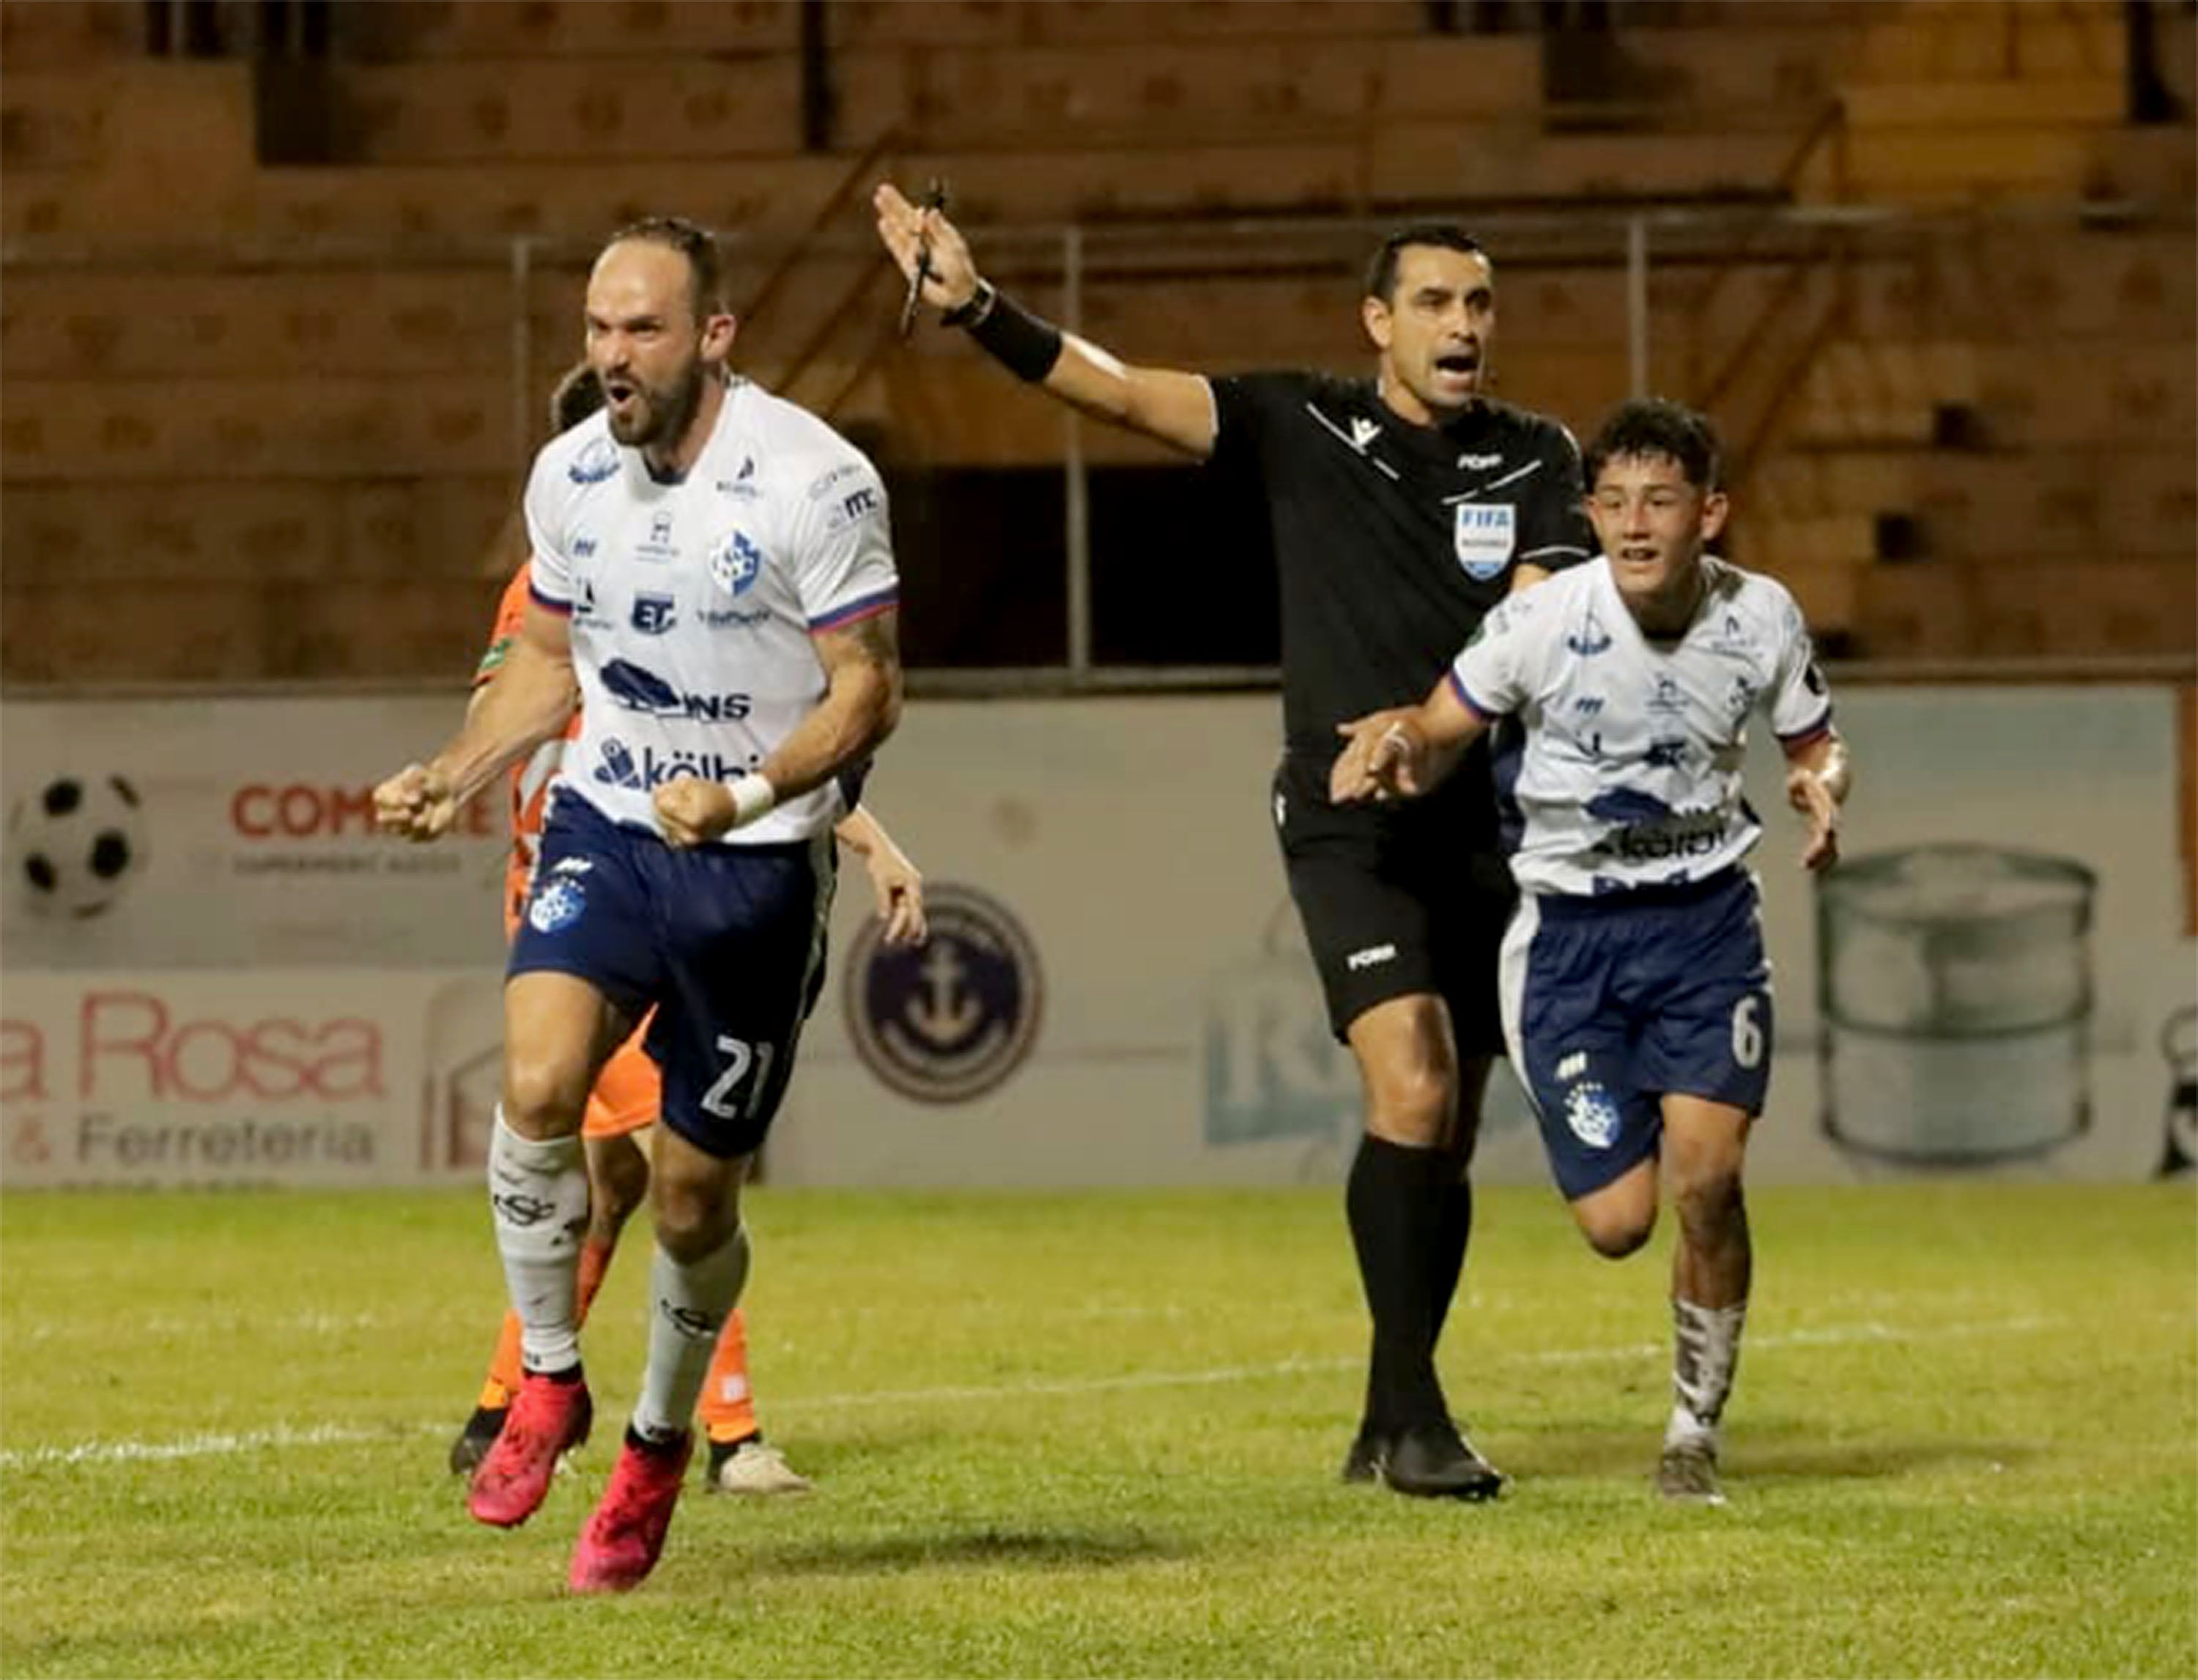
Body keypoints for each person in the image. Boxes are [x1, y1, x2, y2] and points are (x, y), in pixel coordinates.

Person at [874, 188, 1594, 1499]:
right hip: (1342, 814)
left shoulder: (1539, 455)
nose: (1463, 325)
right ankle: (1423, 1417)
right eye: (1433, 301)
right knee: (1416, 1082)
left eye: (1480, 302)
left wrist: (1435, 733)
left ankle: (1390, 1413)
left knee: (1449, 1118)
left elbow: (1533, 629)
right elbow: (1120, 391)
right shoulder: (1299, 420)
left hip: (1485, 823)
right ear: (1377, 321)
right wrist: (979, 310)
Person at [374, 215, 904, 1593]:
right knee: (537, 1085)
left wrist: (742, 794)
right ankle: (547, 1382)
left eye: (643, 330)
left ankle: (661, 1444)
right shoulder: (570, 477)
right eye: (599, 329)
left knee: (685, 1200)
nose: (613, 355)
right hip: (610, 822)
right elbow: (549, 659)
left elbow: (869, 691)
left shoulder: (815, 479)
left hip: (755, 866)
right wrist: (457, 767)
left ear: (714, 335)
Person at [1329, 396, 1852, 1504]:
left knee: (1708, 1182)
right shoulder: (1541, 622)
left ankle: (1691, 1431)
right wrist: (1397, 746)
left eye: (1659, 499)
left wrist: (1819, 783)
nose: (1633, 522)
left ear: (1710, 512)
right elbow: (1438, 723)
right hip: (1569, 942)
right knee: (1618, 1224)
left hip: (1708, 928)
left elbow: (1815, 739)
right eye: (1611, 500)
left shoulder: (1760, 618)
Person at [447, 358, 930, 1498]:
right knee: (671, 1167)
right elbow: (531, 715)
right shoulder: (550, 591)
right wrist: (465, 761)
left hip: (699, 873)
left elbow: (729, 746)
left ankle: (507, 1403)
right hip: (602, 901)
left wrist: (866, 839)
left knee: (641, 1180)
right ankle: (724, 1430)